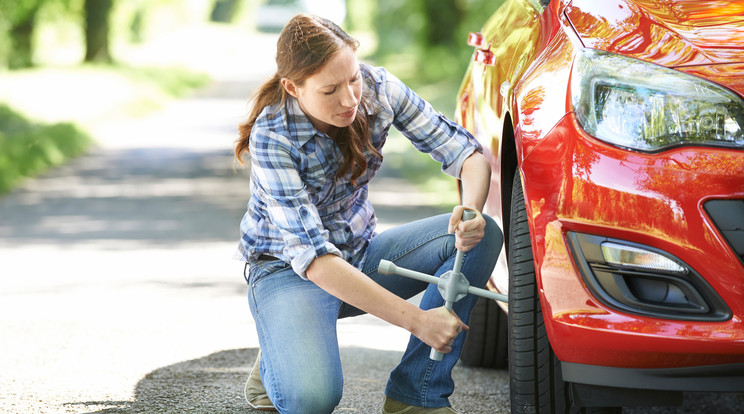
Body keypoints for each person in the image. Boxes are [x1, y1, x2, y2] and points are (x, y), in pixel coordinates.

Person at [234, 14, 502, 414]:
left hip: (360, 257)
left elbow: (467, 154)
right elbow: (317, 262)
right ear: (293, 88)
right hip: (289, 271)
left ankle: (416, 393)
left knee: (487, 237)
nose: (350, 99)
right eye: (330, 90)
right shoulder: (272, 136)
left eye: (353, 78)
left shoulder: (379, 88)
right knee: (312, 399)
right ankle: (281, 347)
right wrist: (419, 321)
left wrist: (471, 212)